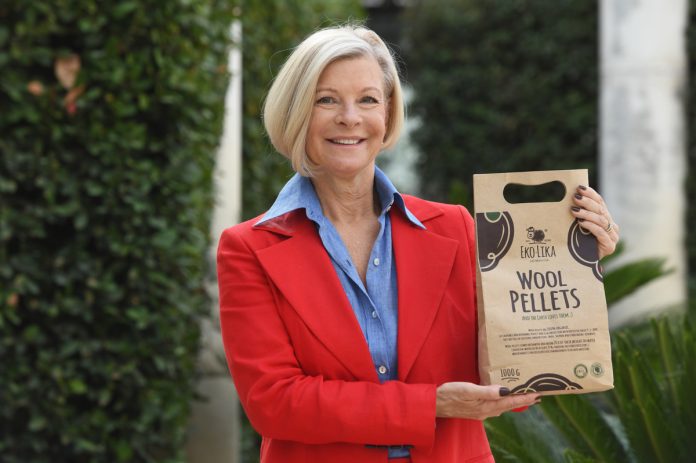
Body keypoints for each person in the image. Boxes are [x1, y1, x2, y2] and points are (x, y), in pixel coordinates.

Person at [217, 24, 620, 463]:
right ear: (295, 112)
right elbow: (274, 403)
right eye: (326, 99)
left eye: (368, 100)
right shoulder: (248, 249)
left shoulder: (454, 228)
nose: (350, 117)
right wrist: (432, 405)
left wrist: (569, 265)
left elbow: (512, 369)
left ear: (388, 112)